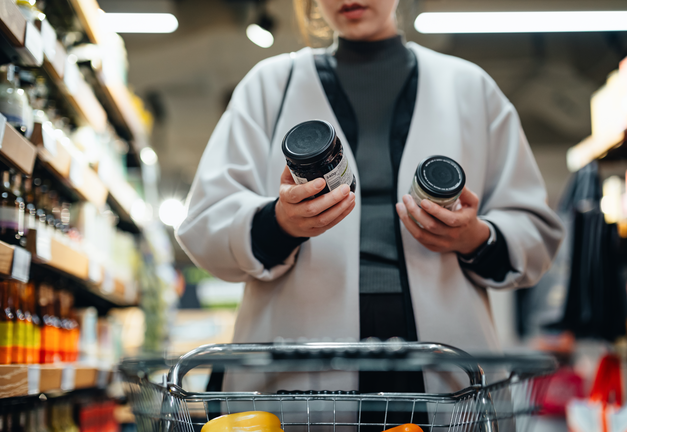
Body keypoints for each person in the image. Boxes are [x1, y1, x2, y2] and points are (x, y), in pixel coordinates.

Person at [176, 0, 564, 396]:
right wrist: (278, 224)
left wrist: (475, 238)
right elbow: (205, 221)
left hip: (447, 364)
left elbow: (536, 230)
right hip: (298, 363)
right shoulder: (268, 86)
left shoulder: (471, 88)